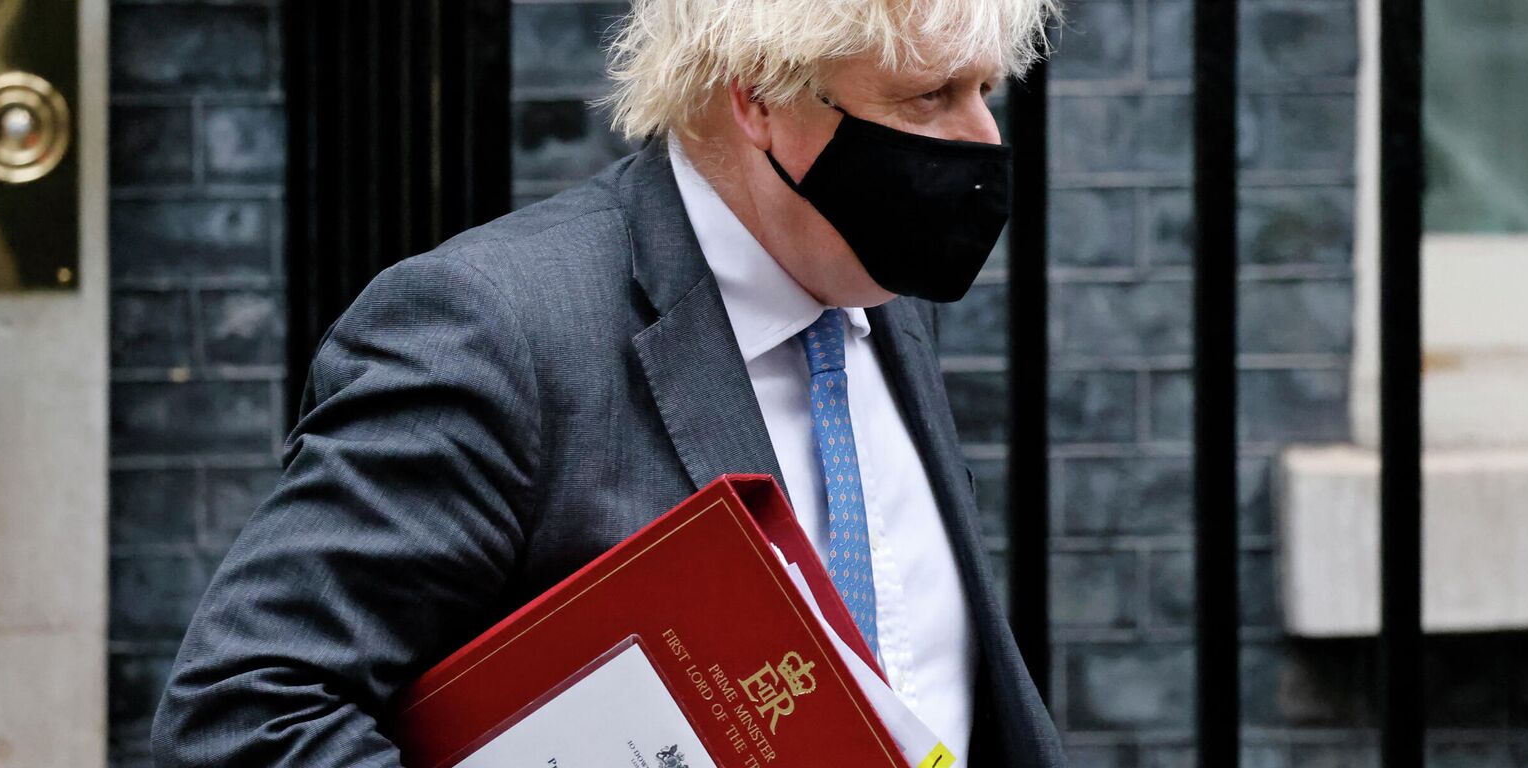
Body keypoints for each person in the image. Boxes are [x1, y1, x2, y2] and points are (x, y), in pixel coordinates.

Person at [152, 1, 1067, 765]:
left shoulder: (876, 293)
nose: (982, 142)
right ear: (759, 96)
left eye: (984, 91)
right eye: (927, 98)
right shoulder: (495, 329)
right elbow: (245, 711)